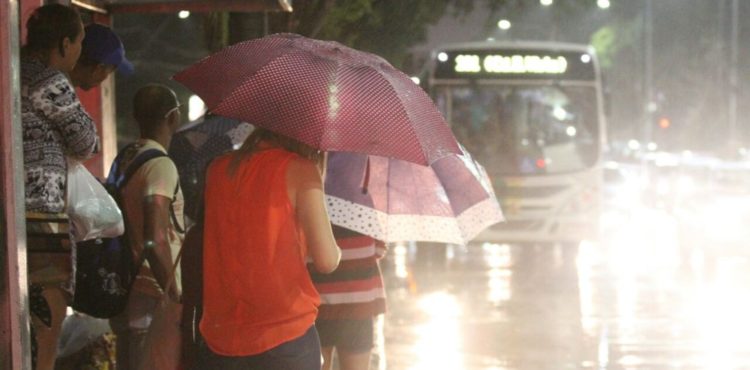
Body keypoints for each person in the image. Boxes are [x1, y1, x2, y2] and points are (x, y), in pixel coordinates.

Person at [199, 128, 341, 369]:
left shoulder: (217, 168)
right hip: (284, 332)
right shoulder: (300, 170)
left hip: (221, 336)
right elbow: (326, 261)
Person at [20, 4, 98, 370]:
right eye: (80, 42)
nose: (80, 51)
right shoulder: (50, 81)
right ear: (65, 43)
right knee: (45, 327)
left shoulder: (15, 71)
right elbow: (85, 141)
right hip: (42, 216)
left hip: (15, 213)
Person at [109, 84, 185, 370]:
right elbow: (156, 237)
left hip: (129, 286)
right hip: (154, 295)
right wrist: (174, 293)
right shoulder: (161, 165)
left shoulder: (126, 158)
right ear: (173, 117)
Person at [309, 226, 387, 370]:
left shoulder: (314, 204)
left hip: (318, 302)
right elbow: (379, 250)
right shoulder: (366, 207)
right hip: (358, 303)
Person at [69, 23, 134, 90]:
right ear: (98, 69)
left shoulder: (61, 85)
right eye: (110, 71)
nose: (105, 78)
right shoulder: (64, 95)